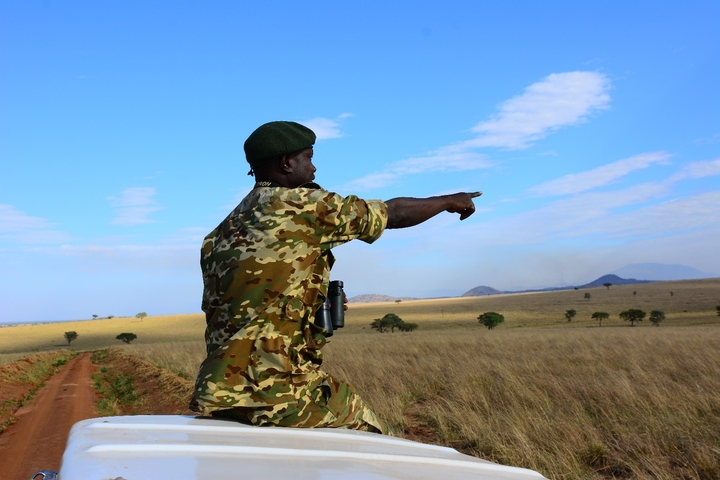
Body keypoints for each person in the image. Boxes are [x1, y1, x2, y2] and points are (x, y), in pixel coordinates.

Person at [190, 121, 481, 434]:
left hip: (217, 390)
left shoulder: (221, 232)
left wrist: (311, 298)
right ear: (287, 163)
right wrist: (450, 201)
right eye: (309, 157)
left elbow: (241, 305)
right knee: (366, 429)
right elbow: (391, 214)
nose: (314, 168)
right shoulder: (304, 205)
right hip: (277, 392)